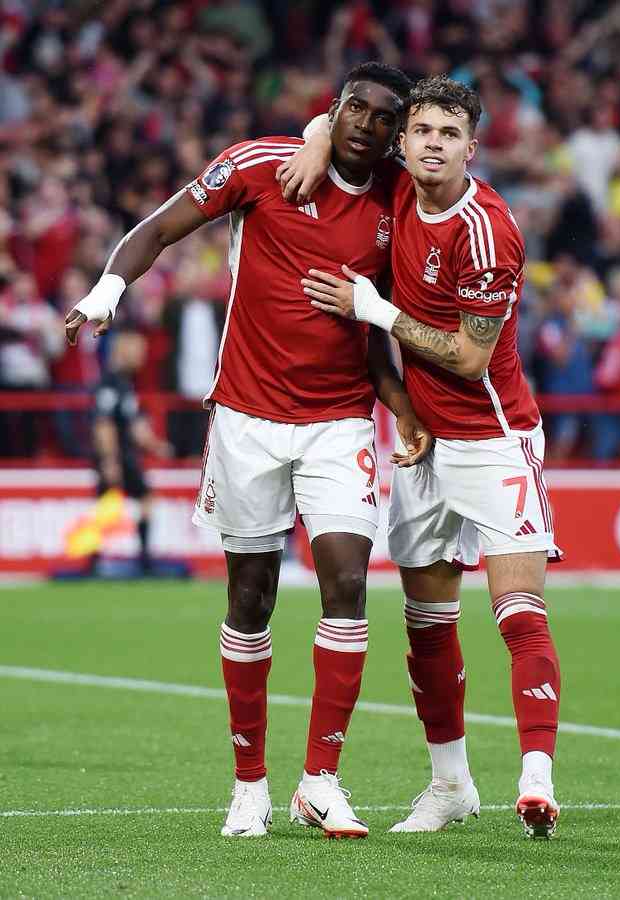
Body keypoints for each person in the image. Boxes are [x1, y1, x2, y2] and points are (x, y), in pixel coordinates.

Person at [64, 62, 431, 840]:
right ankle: (249, 785)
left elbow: (379, 323)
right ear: (333, 111)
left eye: (381, 116)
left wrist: (400, 408)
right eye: (351, 109)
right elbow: (158, 227)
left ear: (395, 133)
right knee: (251, 598)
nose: (365, 122)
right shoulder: (264, 166)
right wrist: (108, 291)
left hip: (339, 419)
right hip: (247, 418)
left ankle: (321, 780)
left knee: (347, 581)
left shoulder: (400, 198)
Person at [283, 75, 563, 838]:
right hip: (426, 446)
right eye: (422, 130)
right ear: (404, 144)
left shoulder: (489, 231)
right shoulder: (401, 185)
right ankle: (451, 787)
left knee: (517, 613)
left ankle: (536, 778)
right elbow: (334, 122)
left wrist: (376, 311)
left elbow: (470, 358)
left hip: (496, 440)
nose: (433, 143)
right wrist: (314, 135)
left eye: (449, 132)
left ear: (473, 147)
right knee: (427, 621)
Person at [91, 327, 172, 572]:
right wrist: (109, 460)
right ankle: (136, 558)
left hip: (124, 454)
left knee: (120, 500)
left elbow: (135, 425)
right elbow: (103, 424)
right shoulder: (110, 383)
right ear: (122, 350)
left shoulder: (124, 384)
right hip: (117, 455)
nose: (142, 355)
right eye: (137, 350)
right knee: (116, 500)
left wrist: (156, 446)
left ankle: (99, 558)